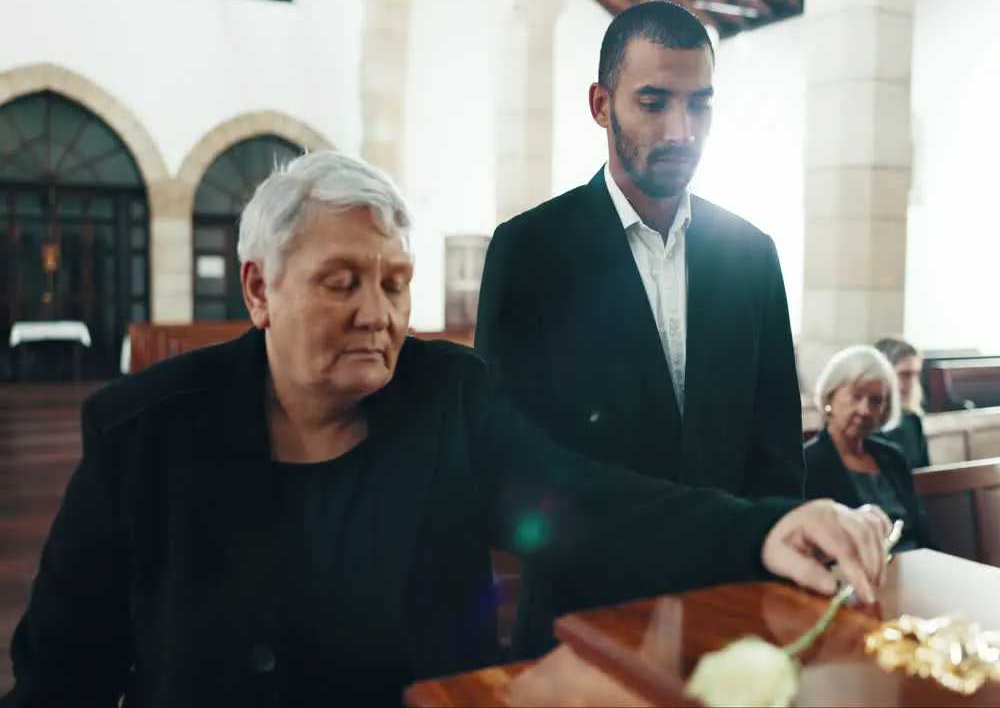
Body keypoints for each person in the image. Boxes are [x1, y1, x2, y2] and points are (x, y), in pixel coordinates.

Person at [2, 152, 891, 708]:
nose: (379, 315)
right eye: (341, 281)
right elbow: (60, 678)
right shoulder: (141, 436)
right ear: (260, 289)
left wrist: (763, 525)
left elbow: (591, 506)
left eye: (395, 283)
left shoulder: (445, 400)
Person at [475, 0, 806, 660]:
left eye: (699, 105)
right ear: (602, 105)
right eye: (653, 102)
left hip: (729, 616)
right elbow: (514, 473)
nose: (682, 130)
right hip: (581, 620)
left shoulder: (752, 252)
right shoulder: (530, 251)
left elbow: (775, 453)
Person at [804, 345, 936, 554]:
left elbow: (922, 533)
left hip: (912, 567)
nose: (865, 410)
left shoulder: (892, 457)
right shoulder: (808, 462)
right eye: (856, 396)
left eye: (876, 401)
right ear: (830, 396)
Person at [873, 336, 932, 470]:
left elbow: (927, 476)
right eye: (904, 375)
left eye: (915, 375)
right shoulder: (865, 423)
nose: (911, 384)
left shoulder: (912, 421)